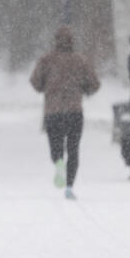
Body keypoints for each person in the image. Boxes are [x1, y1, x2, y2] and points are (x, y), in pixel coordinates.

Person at [30, 27, 100, 200]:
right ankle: (69, 186)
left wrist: (45, 88)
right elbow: (94, 83)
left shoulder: (46, 60)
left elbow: (35, 82)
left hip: (53, 112)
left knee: (56, 146)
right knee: (73, 149)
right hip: (74, 111)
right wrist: (84, 89)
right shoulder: (80, 60)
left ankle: (58, 162)